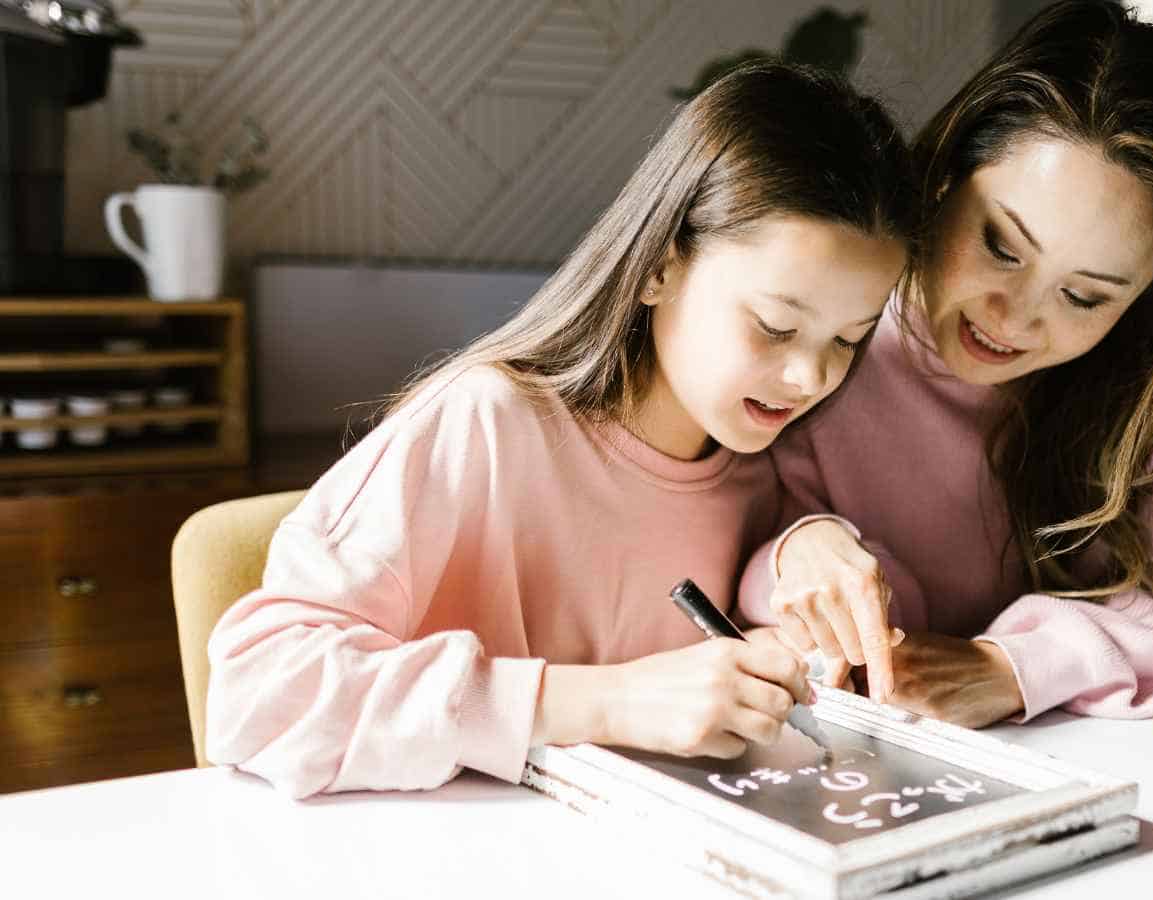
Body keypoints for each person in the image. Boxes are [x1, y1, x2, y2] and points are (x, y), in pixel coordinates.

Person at [205, 62, 915, 798]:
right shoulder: (483, 423)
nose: (811, 378)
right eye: (775, 326)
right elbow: (257, 695)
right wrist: (606, 701)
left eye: (847, 340)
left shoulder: (755, 460)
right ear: (659, 269)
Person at [738, 0, 1153, 727]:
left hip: (1069, 748)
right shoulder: (836, 314)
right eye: (1001, 246)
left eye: (1083, 296)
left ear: (1148, 299)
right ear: (946, 175)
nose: (1013, 317)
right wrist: (798, 553)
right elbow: (722, 532)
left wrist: (1015, 668)